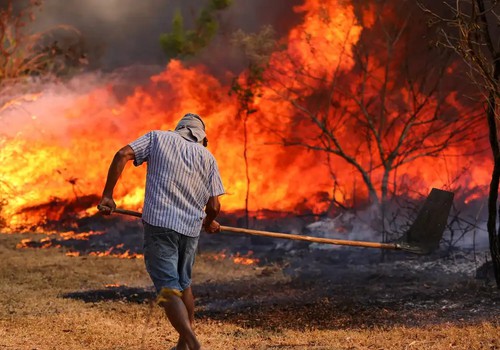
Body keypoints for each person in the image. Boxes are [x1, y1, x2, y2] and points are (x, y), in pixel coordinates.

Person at [98, 113, 224, 350]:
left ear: (179, 129)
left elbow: (122, 154)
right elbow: (215, 207)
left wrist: (107, 195)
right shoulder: (208, 157)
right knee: (184, 284)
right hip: (189, 230)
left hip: (160, 226)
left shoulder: (157, 138)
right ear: (201, 137)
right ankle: (182, 346)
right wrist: (208, 221)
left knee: (167, 288)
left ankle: (193, 343)